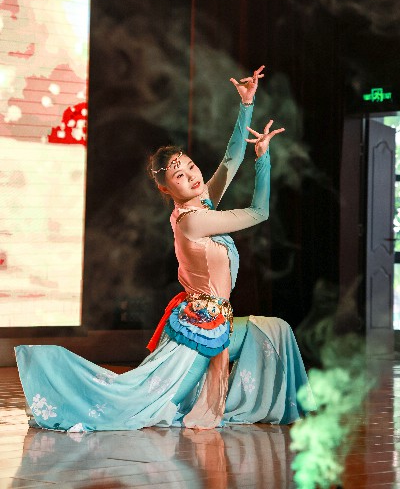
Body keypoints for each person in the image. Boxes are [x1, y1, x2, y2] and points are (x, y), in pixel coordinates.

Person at [15, 66, 312, 432]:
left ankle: (266, 404)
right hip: (200, 335)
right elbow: (259, 212)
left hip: (210, 321)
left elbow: (231, 160)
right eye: (180, 176)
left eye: (190, 167)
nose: (192, 176)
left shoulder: (200, 203)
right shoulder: (192, 220)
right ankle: (51, 373)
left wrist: (246, 105)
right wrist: (263, 160)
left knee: (275, 330)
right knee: (132, 399)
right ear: (166, 190)